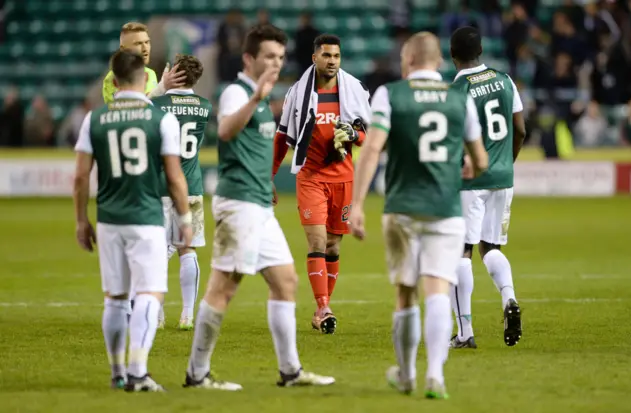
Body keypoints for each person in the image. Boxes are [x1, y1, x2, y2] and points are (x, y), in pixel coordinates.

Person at [183, 24, 335, 391]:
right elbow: (225, 131)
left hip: (258, 206)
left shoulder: (260, 96)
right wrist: (256, 99)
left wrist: (266, 182)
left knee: (286, 282)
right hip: (239, 207)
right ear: (249, 58)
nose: (276, 63)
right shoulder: (238, 93)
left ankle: (290, 371)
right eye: (269, 56)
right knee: (223, 289)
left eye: (281, 57)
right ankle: (197, 373)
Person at [348, 32, 488, 399]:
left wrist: (358, 204)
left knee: (406, 293)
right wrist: (467, 168)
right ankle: (436, 377)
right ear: (439, 62)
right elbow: (480, 161)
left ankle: (408, 373)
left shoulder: (390, 94)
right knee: (438, 290)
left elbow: (372, 149)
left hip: (402, 208)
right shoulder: (460, 98)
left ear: (406, 60)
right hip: (445, 208)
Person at [73, 49, 191, 392]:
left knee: (115, 298)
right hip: (146, 218)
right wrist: (184, 217)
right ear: (144, 79)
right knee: (150, 294)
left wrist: (81, 221)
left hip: (109, 220)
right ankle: (138, 372)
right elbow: (174, 177)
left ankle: (117, 372)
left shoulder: (94, 118)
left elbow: (80, 177)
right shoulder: (160, 119)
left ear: (112, 80)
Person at [272, 34, 371, 334]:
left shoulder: (353, 90)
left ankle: (322, 306)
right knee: (316, 241)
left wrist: (354, 136)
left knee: (333, 245)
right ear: (314, 57)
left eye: (336, 56)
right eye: (327, 55)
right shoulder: (298, 93)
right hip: (311, 177)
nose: (332, 61)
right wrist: (268, 177)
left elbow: (365, 133)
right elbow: (283, 138)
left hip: (343, 177)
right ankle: (323, 306)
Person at [448, 26, 526, 349]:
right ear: (480, 50)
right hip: (503, 176)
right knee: (491, 248)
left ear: (453, 56)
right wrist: (507, 162)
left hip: (471, 179)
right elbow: (520, 128)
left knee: (460, 251)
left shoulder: (458, 88)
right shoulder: (505, 79)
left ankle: (465, 333)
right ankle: (509, 298)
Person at [151, 54, 212, 330]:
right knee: (187, 249)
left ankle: (158, 314)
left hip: (161, 185)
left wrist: (161, 86)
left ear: (172, 71)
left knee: (156, 251)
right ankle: (187, 315)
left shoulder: (157, 104)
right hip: (192, 186)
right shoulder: (205, 105)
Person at [102, 22, 185, 104]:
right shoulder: (114, 77)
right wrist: (161, 88)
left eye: (147, 42)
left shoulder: (151, 73)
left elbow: (151, 107)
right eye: (138, 43)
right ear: (123, 49)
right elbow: (126, 108)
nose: (145, 48)